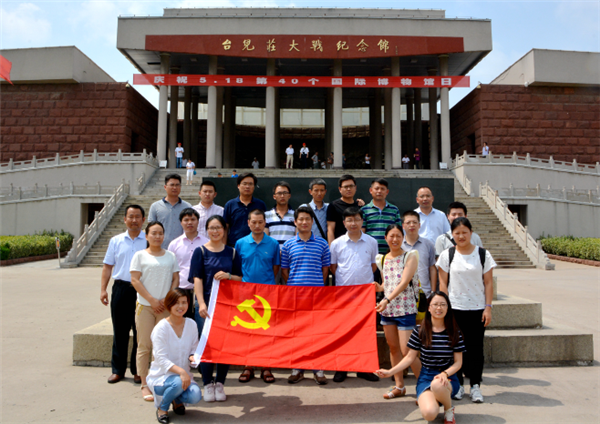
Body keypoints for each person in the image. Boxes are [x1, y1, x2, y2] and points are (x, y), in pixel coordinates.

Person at [376, 291, 465, 424]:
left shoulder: (454, 331)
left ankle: (448, 408)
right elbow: (409, 357)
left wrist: (445, 374)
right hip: (426, 377)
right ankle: (435, 399)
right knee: (429, 414)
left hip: (448, 378)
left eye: (443, 304)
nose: (439, 308)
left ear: (448, 308)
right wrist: (390, 372)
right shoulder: (420, 330)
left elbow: (458, 363)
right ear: (429, 308)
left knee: (437, 384)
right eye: (435, 304)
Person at [437, 217, 496, 403]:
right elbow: (443, 284)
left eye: (465, 232)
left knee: (476, 349)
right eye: (457, 233)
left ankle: (476, 385)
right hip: (455, 309)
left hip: (477, 309)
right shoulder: (447, 255)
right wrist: (445, 308)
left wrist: (488, 307)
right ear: (452, 234)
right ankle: (459, 385)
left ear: (471, 233)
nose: (461, 236)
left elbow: (488, 283)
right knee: (456, 349)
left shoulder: (483, 254)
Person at [189, 215, 243, 402]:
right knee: (206, 344)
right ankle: (207, 383)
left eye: (218, 227)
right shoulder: (200, 251)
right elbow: (197, 278)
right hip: (206, 306)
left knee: (224, 345)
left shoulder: (232, 252)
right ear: (207, 230)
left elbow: (240, 278)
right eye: (211, 228)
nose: (215, 231)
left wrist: (229, 276)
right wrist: (201, 303)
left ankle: (220, 383)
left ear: (224, 230)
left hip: (227, 306)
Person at [130, 221, 180, 402]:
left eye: (160, 233)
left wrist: (168, 299)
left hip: (165, 308)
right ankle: (144, 383)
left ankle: (159, 380)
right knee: (144, 345)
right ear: (146, 235)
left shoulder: (170, 256)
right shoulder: (139, 255)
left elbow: (176, 278)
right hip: (145, 306)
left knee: (162, 346)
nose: (157, 236)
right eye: (154, 233)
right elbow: (135, 280)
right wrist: (151, 300)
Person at [281, 206, 331, 385]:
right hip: (295, 296)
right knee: (297, 333)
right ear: (295, 222)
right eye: (300, 219)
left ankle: (318, 369)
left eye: (307, 219)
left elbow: (325, 270)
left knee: (316, 333)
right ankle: (297, 368)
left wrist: (316, 287)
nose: (304, 222)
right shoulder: (288, 245)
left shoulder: (322, 244)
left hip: (316, 296)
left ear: (312, 222)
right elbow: (284, 271)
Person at [329, 207, 379, 383]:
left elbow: (373, 266)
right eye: (349, 220)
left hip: (365, 295)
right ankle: (342, 368)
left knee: (365, 332)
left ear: (362, 221)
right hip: (343, 295)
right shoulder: (336, 244)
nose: (353, 223)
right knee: (342, 332)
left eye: (357, 219)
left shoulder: (371, 242)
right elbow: (333, 268)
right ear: (344, 223)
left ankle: (363, 369)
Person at [374, 224, 422, 400]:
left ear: (403, 238)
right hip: (388, 310)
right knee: (393, 348)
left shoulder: (410, 256)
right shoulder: (382, 259)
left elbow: (403, 282)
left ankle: (424, 387)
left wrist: (386, 299)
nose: (395, 240)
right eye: (391, 236)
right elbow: (387, 283)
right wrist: (379, 288)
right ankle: (399, 386)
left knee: (408, 351)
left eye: (398, 236)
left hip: (406, 309)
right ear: (385, 238)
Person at [101, 204, 146, 385]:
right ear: (125, 219)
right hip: (121, 288)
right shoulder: (116, 240)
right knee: (120, 330)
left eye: (138, 216)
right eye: (131, 216)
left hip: (142, 290)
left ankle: (137, 370)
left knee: (139, 331)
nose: (134, 220)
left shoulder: (148, 240)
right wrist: (103, 289)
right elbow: (107, 266)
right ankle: (117, 370)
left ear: (143, 219)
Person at [235, 209, 281, 384]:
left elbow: (275, 269)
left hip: (267, 294)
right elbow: (238, 268)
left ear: (265, 223)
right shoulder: (240, 243)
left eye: (260, 222)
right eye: (253, 222)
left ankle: (265, 366)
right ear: (248, 223)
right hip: (246, 295)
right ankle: (248, 366)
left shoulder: (273, 244)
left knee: (266, 332)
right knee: (248, 332)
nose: (257, 225)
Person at [147, 289, 202, 423]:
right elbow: (161, 359)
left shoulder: (191, 324)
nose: (181, 306)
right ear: (169, 304)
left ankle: (176, 399)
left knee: (195, 395)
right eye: (176, 303)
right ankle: (162, 408)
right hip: (162, 377)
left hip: (183, 377)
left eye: (184, 302)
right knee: (177, 382)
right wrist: (181, 372)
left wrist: (193, 357)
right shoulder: (161, 328)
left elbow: (194, 348)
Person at [168, 208, 209, 318]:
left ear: (198, 221)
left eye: (193, 219)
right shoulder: (174, 244)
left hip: (202, 291)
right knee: (182, 322)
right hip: (181, 290)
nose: (189, 222)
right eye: (186, 220)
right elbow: (170, 269)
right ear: (181, 222)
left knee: (200, 323)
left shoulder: (207, 243)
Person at [149, 174, 192, 249]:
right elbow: (151, 229)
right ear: (165, 187)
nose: (174, 187)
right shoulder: (155, 206)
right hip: (161, 248)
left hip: (182, 248)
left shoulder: (188, 207)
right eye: (172, 185)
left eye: (177, 185)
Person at [223, 173, 266, 247]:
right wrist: (224, 247)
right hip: (234, 245)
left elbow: (264, 226)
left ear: (254, 186)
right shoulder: (230, 205)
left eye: (250, 184)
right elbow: (225, 228)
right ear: (238, 186)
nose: (247, 186)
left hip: (256, 245)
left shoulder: (260, 205)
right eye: (244, 184)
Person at [361, 178, 402, 254]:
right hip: (370, 252)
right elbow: (362, 233)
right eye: (376, 188)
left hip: (390, 253)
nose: (379, 191)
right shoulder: (364, 210)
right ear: (371, 190)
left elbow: (399, 231)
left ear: (387, 192)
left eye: (382, 189)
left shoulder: (394, 210)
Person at [402, 210, 437, 295]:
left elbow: (432, 268)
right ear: (403, 226)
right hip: (404, 292)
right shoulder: (399, 245)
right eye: (408, 223)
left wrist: (433, 291)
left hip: (424, 292)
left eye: (414, 222)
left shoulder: (428, 244)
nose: (412, 225)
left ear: (419, 225)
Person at [327, 174, 364, 244]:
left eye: (351, 186)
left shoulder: (360, 205)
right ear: (340, 189)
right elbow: (330, 229)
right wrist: (331, 247)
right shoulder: (333, 206)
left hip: (358, 244)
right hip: (340, 245)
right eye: (346, 187)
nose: (349, 189)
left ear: (355, 188)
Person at [265, 181, 296, 245]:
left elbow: (297, 238)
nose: (282, 196)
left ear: (289, 196)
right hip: (273, 250)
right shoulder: (266, 215)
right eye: (279, 193)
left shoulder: (296, 215)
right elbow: (265, 239)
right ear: (274, 196)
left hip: (290, 250)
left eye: (285, 193)